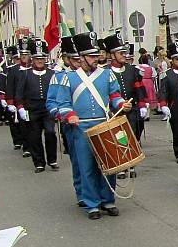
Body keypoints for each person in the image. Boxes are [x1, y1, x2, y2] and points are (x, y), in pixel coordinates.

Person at [56, 32, 132, 219]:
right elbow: (63, 104)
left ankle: (108, 200)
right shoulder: (69, 78)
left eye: (96, 55)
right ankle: (92, 204)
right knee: (86, 167)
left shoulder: (107, 75)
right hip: (81, 129)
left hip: (104, 125)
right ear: (81, 58)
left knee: (109, 164)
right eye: (90, 56)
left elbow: (114, 95)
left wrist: (122, 104)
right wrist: (71, 115)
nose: (95, 59)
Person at [47, 36, 85, 207]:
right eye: (75, 59)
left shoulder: (91, 74)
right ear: (67, 59)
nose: (79, 63)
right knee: (78, 161)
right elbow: (52, 103)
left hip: (94, 123)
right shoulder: (59, 76)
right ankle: (82, 193)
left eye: (80, 59)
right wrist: (64, 115)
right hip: (72, 125)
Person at [14, 39, 57, 173]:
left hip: (48, 107)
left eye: (42, 58)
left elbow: (56, 92)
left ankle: (52, 159)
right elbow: (19, 93)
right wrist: (20, 107)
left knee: (50, 132)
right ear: (32, 59)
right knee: (34, 136)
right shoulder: (25, 74)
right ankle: (39, 162)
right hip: (32, 108)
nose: (40, 60)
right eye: (37, 58)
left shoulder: (51, 73)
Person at [106, 32, 147, 157]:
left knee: (132, 135)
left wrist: (142, 105)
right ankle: (122, 164)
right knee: (119, 138)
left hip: (132, 110)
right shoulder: (105, 72)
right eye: (120, 53)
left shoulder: (132, 70)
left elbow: (139, 88)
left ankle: (131, 162)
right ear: (112, 55)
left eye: (124, 52)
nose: (124, 55)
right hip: (114, 111)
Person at [4, 41, 31, 156]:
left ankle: (33, 145)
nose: (24, 57)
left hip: (32, 102)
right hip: (20, 102)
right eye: (22, 55)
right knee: (23, 126)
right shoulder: (13, 70)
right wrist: (10, 102)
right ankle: (27, 147)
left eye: (26, 55)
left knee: (34, 128)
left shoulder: (34, 68)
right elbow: (9, 87)